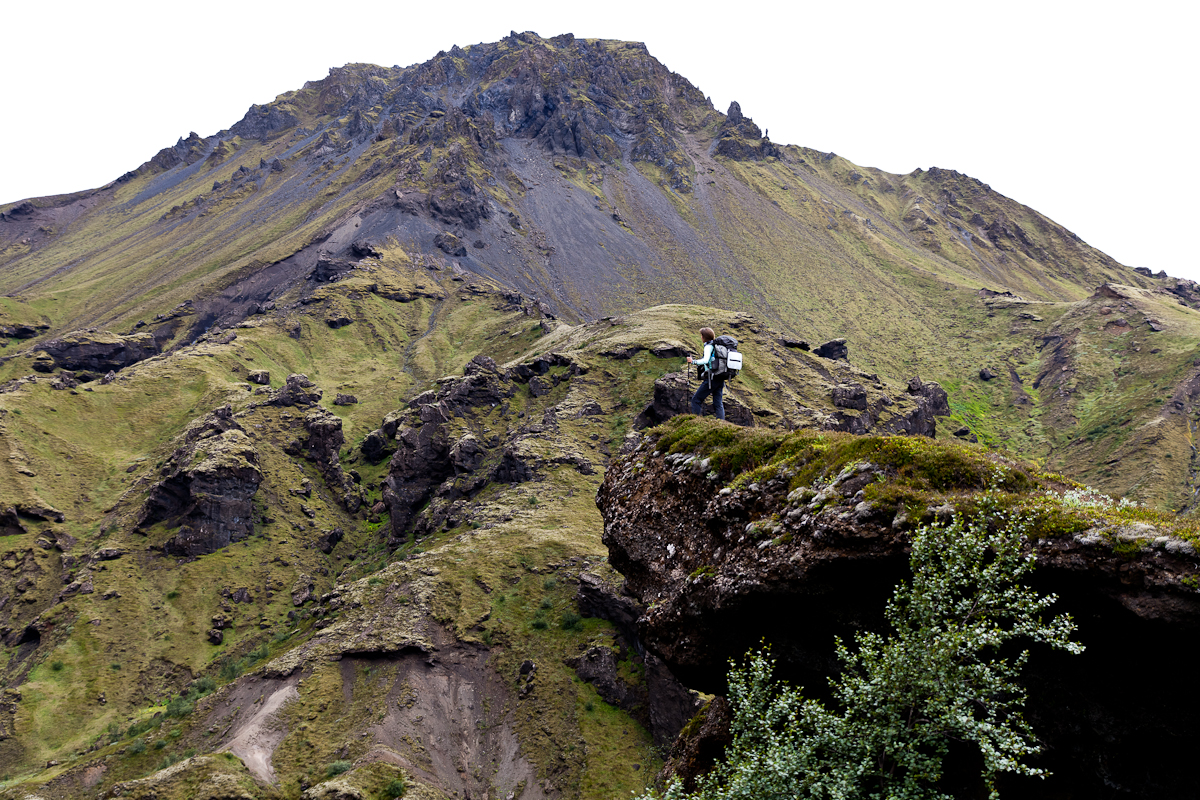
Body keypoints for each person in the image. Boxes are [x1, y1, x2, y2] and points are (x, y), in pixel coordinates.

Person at [687, 327, 726, 420]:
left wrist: (693, 361)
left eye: (701, 335)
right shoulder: (716, 345)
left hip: (711, 378)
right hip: (720, 377)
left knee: (696, 400)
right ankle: (721, 423)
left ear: (704, 337)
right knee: (718, 403)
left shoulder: (708, 346)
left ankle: (696, 421)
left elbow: (705, 360)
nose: (700, 337)